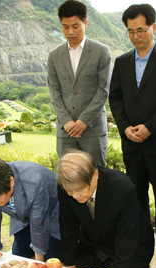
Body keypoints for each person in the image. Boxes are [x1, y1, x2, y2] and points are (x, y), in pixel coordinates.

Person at [109, 4, 156, 250]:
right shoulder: (121, 61)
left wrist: (149, 127)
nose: (136, 36)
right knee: (135, 196)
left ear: (153, 27)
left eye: (140, 30)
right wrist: (125, 127)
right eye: (130, 31)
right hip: (131, 142)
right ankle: (141, 247)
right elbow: (115, 98)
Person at [56, 150, 154, 268]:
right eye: (69, 191)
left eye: (79, 190)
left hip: (130, 247)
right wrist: (69, 264)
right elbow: (68, 226)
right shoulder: (67, 186)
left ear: (95, 175)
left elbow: (127, 236)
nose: (73, 195)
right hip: (94, 245)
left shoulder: (121, 189)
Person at [47, 0, 112, 168]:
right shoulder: (54, 55)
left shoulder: (101, 51)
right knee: (67, 178)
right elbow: (54, 91)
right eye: (65, 26)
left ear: (86, 23)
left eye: (75, 26)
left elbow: (103, 90)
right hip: (65, 131)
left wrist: (84, 120)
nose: (70, 32)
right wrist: (66, 121)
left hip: (92, 130)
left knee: (97, 176)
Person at [0, 158, 62, 262]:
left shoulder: (34, 181)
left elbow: (38, 222)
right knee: (19, 256)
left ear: (11, 181)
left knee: (50, 259)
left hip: (54, 212)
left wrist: (39, 264)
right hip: (21, 214)